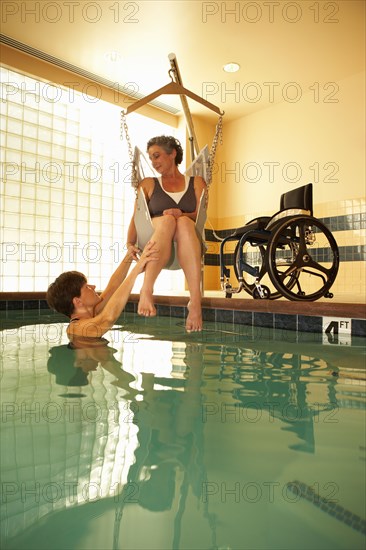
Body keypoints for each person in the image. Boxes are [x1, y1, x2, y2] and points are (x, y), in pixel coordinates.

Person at [126, 135, 206, 332]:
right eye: (151, 158)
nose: (153, 162)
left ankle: (195, 302)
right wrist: (129, 243)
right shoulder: (148, 183)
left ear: (172, 154)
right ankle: (147, 288)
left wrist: (182, 214)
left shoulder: (197, 183)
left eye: (157, 156)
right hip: (154, 240)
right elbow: (137, 216)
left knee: (185, 223)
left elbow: (200, 214)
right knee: (169, 220)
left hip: (186, 244)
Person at [46, 241, 158, 338]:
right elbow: (108, 318)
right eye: (87, 287)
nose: (93, 287)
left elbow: (113, 287)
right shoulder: (75, 328)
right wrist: (136, 270)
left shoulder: (93, 313)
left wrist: (129, 256)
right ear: (78, 301)